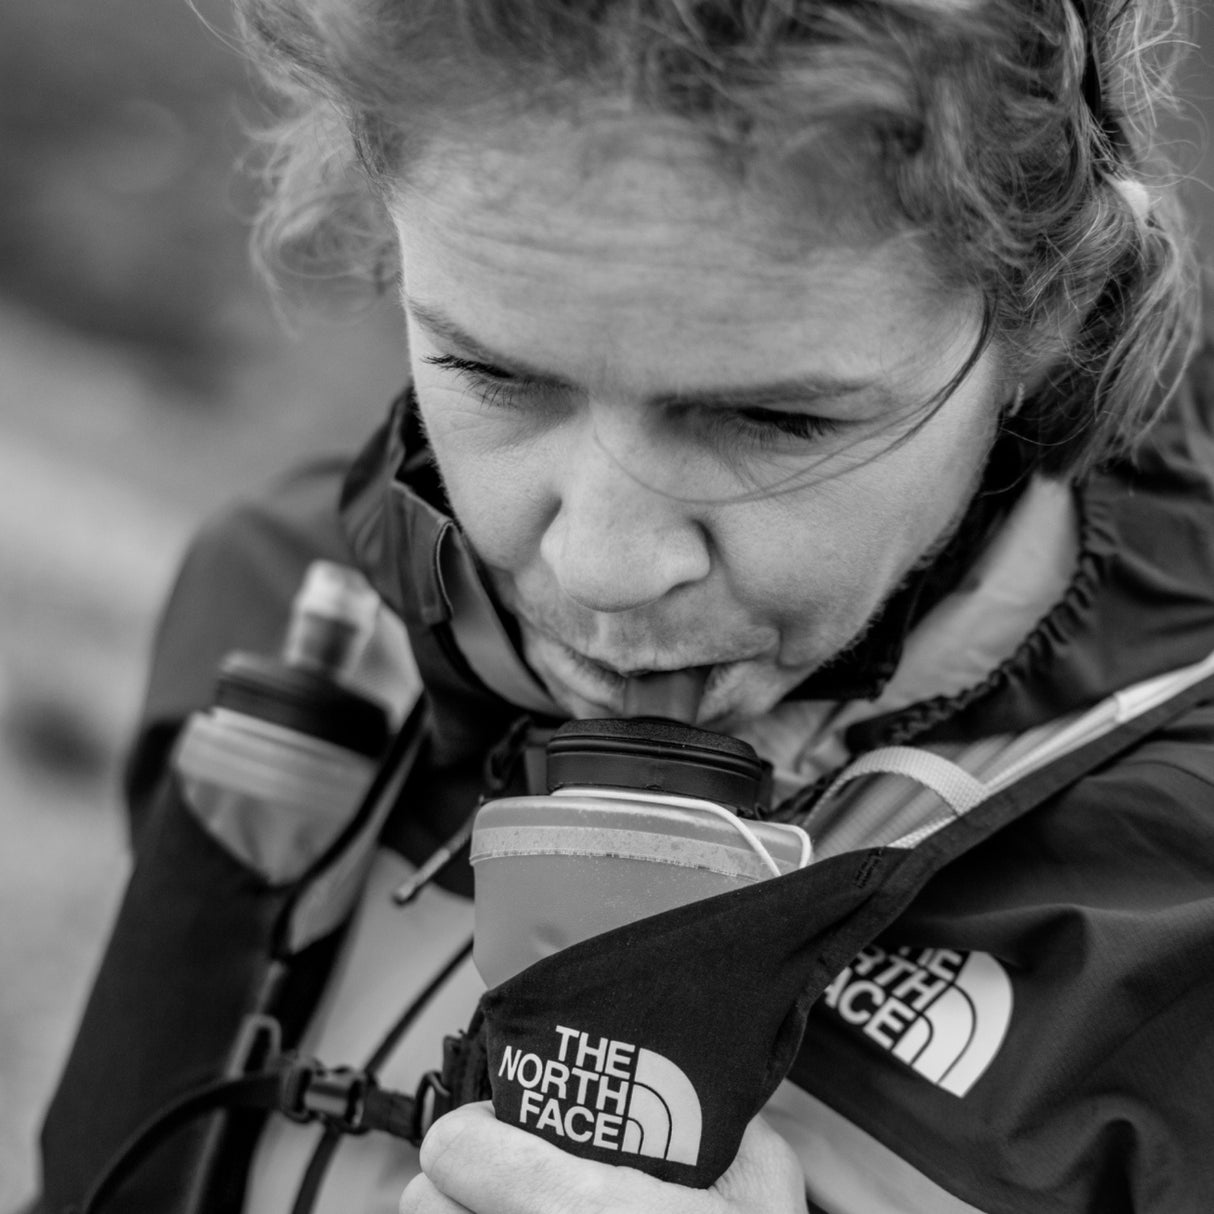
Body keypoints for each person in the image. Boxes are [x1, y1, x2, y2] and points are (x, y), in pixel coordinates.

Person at [28, 1, 1214, 1212]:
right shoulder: (278, 581)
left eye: (774, 419)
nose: (598, 564)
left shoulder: (1178, 906)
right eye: (490, 371)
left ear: (1056, 323)